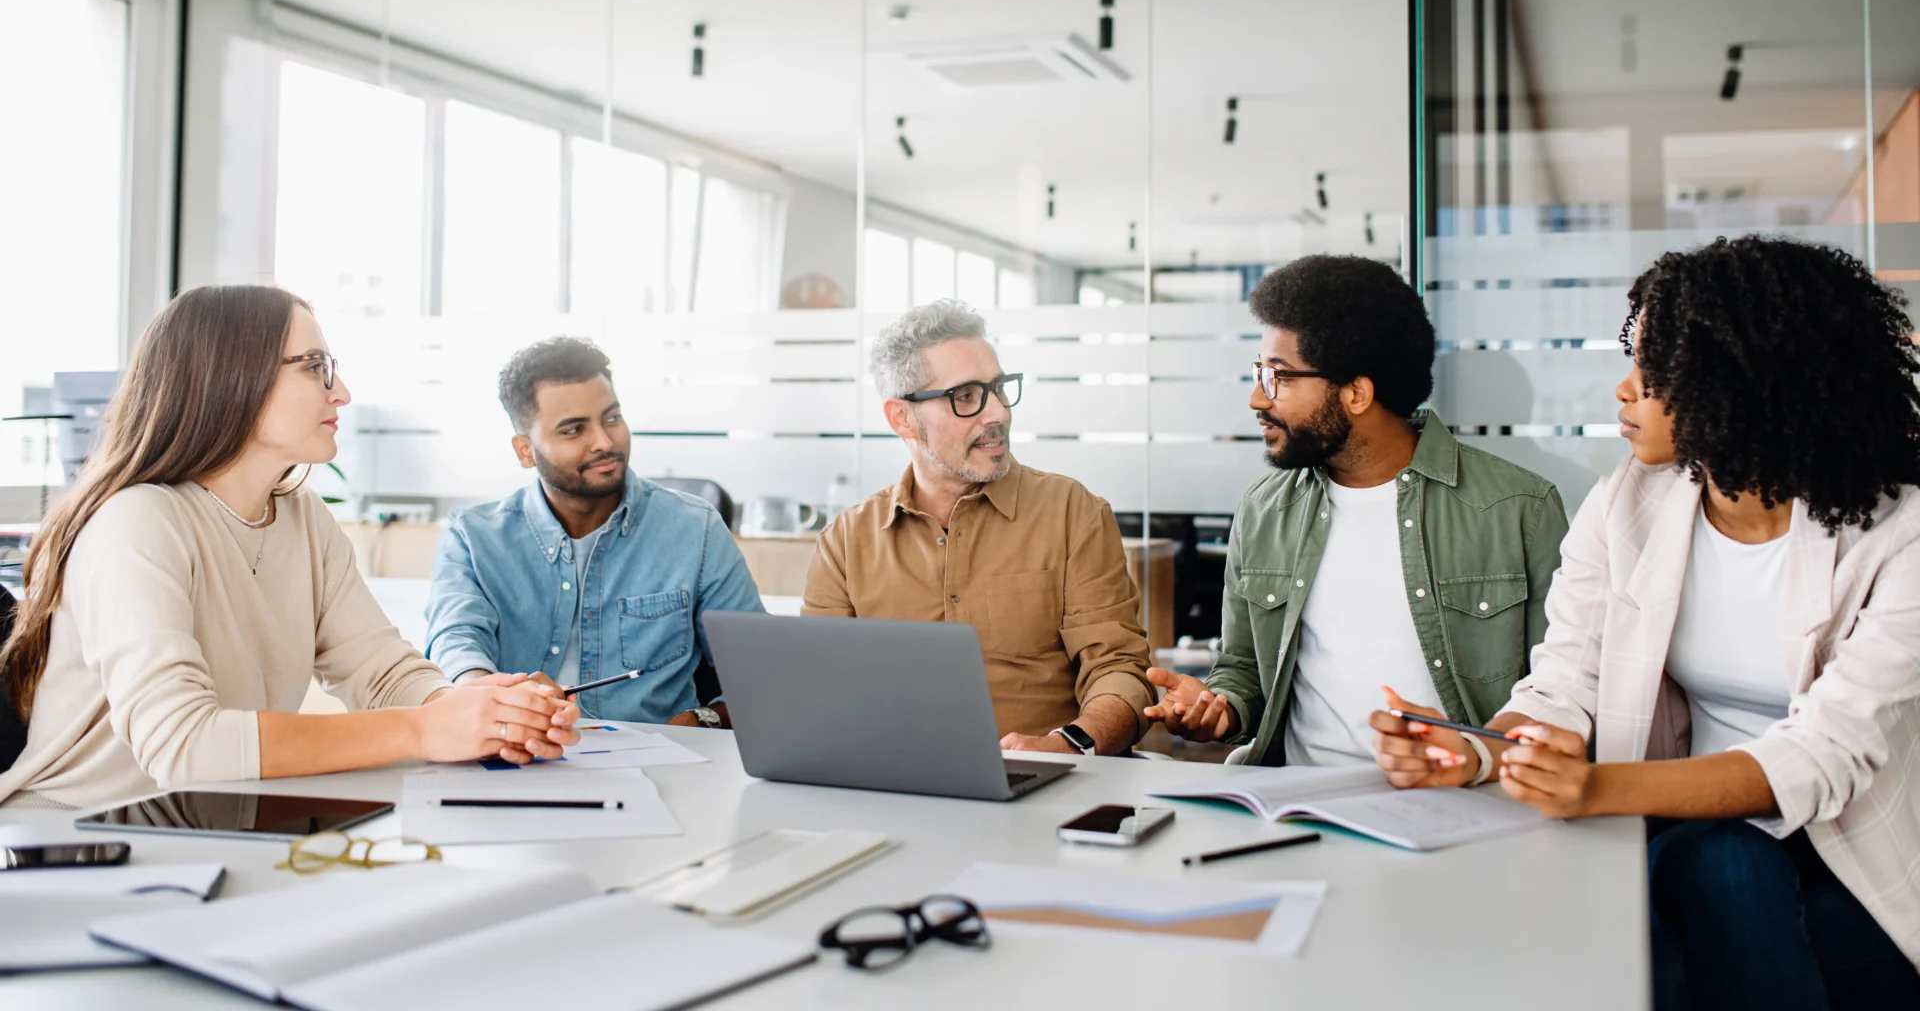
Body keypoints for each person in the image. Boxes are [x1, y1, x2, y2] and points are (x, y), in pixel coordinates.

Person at [1372, 236, 1920, 1009]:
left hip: (1855, 857)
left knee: (1724, 894)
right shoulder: (1627, 502)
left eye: (1657, 373)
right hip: (1693, 845)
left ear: (1747, 382)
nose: (1625, 391)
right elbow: (1567, 677)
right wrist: (1480, 751)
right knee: (1717, 866)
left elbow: (1822, 757)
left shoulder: (1902, 535)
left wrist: (1594, 788)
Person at [0, 286, 578, 810]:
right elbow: (179, 744)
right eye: (316, 368)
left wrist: (479, 709)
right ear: (231, 377)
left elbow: (379, 674)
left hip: (202, 827)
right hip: (73, 843)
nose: (343, 393)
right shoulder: (134, 520)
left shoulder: (302, 519)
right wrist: (424, 730)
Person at [1147, 254, 1568, 768]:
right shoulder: (1265, 509)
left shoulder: (1519, 508)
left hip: (1465, 802)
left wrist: (1479, 762)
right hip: (1300, 804)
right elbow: (1243, 669)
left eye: (1279, 377)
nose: (1258, 398)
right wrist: (1221, 708)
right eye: (1260, 372)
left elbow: (1559, 691)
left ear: (1356, 393)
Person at [803, 300, 1154, 756]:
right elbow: (817, 687)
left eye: (999, 388)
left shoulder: (1073, 513)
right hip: (893, 782)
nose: (999, 413)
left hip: (1048, 788)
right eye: (966, 397)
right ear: (901, 417)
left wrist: (1072, 743)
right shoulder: (846, 542)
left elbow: (1119, 666)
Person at [424, 337, 763, 726]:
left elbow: (760, 674)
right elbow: (455, 644)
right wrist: (488, 698)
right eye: (573, 430)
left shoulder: (695, 529)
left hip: (660, 761)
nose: (604, 442)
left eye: (612, 418)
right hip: (516, 756)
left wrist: (703, 720)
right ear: (525, 451)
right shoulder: (472, 538)